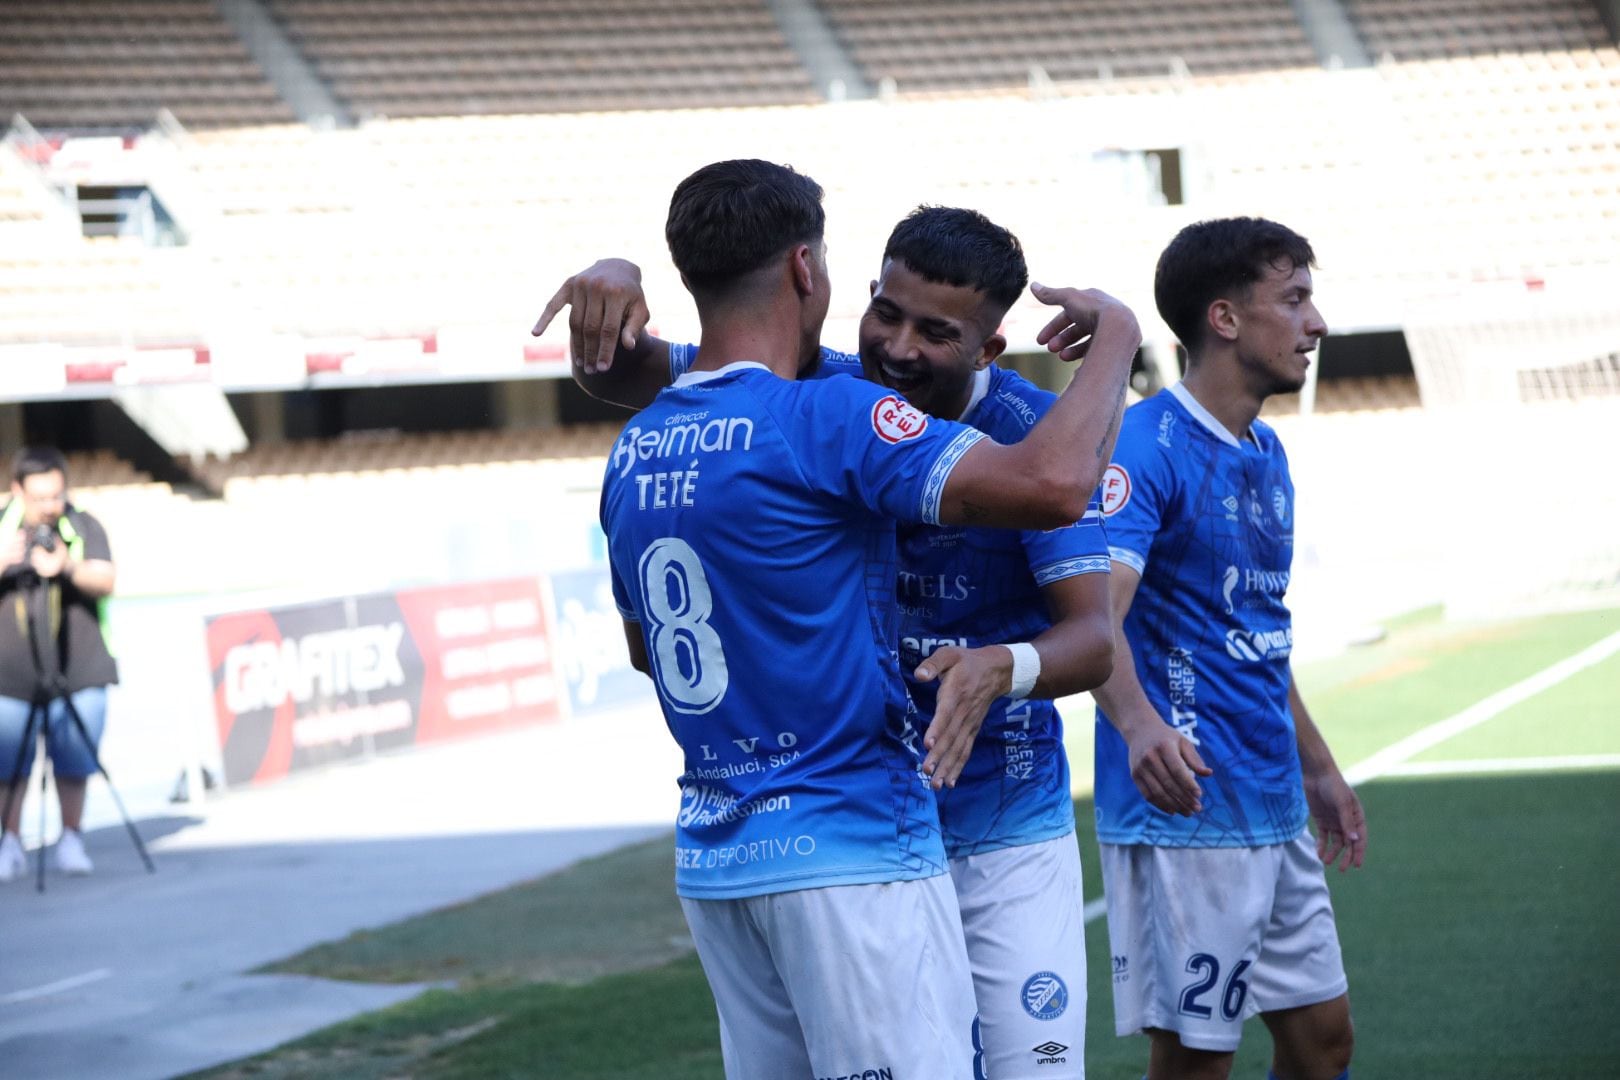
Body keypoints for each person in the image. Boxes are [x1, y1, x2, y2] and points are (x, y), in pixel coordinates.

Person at [573, 159, 1140, 1078]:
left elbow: (1093, 636)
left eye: (936, 332)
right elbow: (1052, 486)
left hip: (954, 826)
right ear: (817, 274)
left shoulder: (655, 440)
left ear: (993, 348)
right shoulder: (825, 402)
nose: (900, 346)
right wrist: (1118, 334)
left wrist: (1004, 664)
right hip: (859, 832)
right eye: (887, 312)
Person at [1090, 217, 1365, 1080]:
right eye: (1294, 299)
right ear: (1225, 318)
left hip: (1272, 796)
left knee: (1323, 1044)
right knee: (1198, 1066)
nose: (1315, 322)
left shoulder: (1267, 451)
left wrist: (1316, 764)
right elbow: (1097, 622)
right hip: (1188, 814)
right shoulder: (1147, 446)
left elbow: (1254, 633)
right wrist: (1141, 730)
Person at [0, 447, 119, 882]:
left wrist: (66, 565)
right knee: (7, 766)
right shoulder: (3, 529)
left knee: (74, 761)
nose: (49, 507)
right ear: (17, 491)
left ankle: (72, 839)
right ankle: (9, 843)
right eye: (39, 498)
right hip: (10, 675)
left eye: (55, 496)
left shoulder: (83, 524)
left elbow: (106, 579)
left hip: (80, 668)